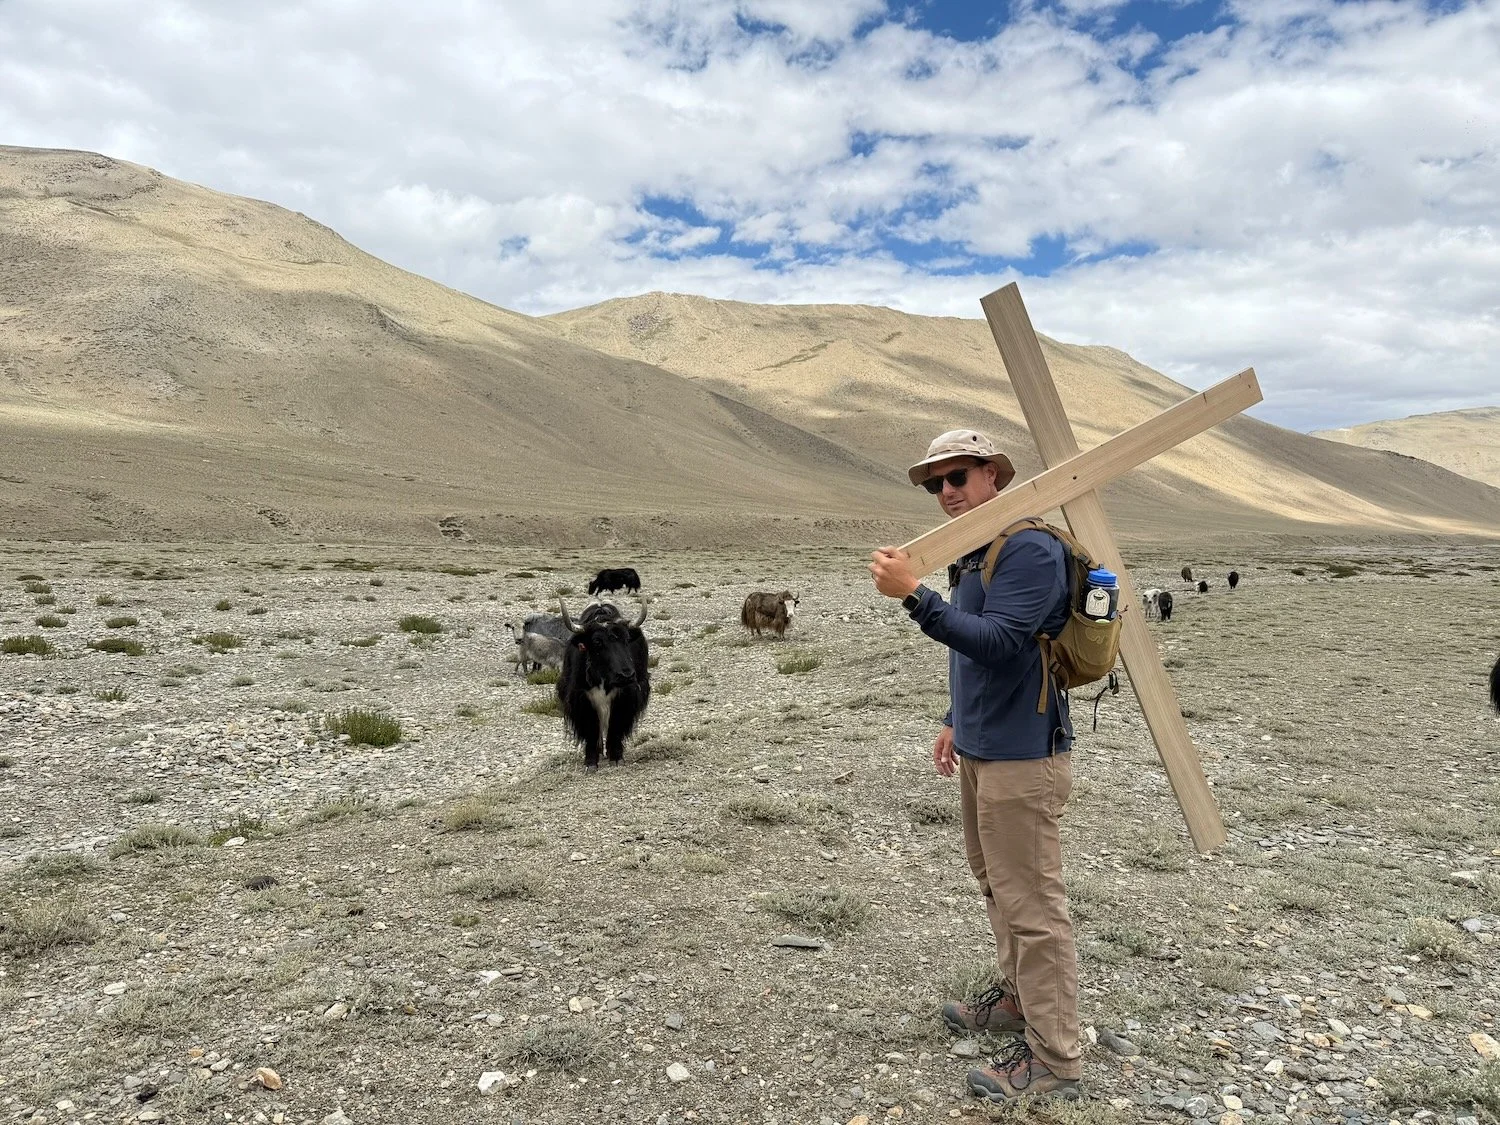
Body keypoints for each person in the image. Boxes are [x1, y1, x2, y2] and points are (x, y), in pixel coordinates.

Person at [868, 428, 1082, 1103]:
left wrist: (915, 597)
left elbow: (1001, 641)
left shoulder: (1029, 549)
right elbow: (976, 657)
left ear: (992, 474)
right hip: (984, 749)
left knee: (1034, 904)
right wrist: (952, 717)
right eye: (935, 485)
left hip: (1024, 756)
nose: (946, 493)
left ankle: (1056, 1061)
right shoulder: (977, 550)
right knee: (996, 883)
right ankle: (1018, 1000)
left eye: (956, 477)